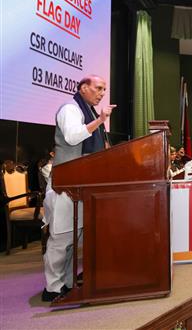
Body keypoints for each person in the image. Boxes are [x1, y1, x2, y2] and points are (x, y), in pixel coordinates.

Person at [42, 75, 115, 302]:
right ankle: (52, 288)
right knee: (62, 237)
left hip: (83, 185)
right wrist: (100, 120)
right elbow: (73, 138)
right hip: (65, 185)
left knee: (74, 238)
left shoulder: (90, 113)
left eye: (104, 89)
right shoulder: (70, 109)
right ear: (84, 88)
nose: (102, 93)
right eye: (98, 88)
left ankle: (66, 282)